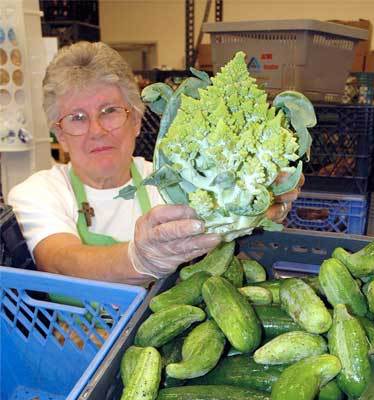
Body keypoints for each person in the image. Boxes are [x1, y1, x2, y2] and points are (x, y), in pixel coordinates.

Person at [7, 42, 302, 285]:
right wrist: (140, 259)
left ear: (136, 120)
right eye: (77, 118)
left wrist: (266, 203)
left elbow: (225, 238)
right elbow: (59, 262)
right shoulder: (37, 192)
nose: (96, 130)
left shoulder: (179, 179)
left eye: (109, 111)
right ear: (60, 134)